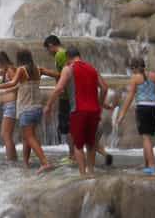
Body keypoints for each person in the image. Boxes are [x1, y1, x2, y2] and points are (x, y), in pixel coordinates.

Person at [44, 46, 107, 177]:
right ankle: (91, 173)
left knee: (78, 145)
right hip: (94, 111)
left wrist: (48, 106)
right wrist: (100, 105)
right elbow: (104, 88)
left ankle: (82, 174)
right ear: (79, 55)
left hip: (78, 111)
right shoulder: (92, 68)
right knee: (91, 144)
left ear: (68, 57)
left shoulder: (68, 69)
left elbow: (59, 88)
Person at [0, 49, 51, 173]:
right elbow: (57, 75)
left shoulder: (21, 69)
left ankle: (45, 162)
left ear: (20, 59)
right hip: (37, 108)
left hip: (26, 108)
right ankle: (25, 163)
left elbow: (13, 83)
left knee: (29, 137)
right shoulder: (38, 69)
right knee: (26, 137)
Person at [117, 57, 155, 174]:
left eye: (132, 69)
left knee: (145, 137)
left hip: (143, 107)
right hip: (154, 107)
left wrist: (122, 114)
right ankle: (147, 164)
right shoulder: (154, 75)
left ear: (134, 68)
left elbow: (129, 97)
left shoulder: (135, 78)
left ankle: (152, 166)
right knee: (148, 137)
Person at [40, 35, 74, 161]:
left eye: (47, 50)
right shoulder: (63, 53)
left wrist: (45, 72)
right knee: (68, 127)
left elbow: (63, 75)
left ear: (50, 45)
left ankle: (72, 155)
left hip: (66, 95)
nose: (48, 53)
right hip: (68, 94)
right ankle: (73, 154)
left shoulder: (60, 55)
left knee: (68, 127)